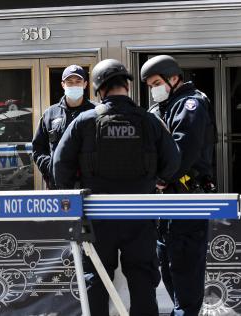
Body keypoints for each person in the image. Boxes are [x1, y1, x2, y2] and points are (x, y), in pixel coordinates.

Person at [53, 59, 180, 316]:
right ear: (127, 87)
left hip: (97, 215)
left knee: (97, 280)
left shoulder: (84, 121)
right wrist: (159, 180)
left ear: (99, 89)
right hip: (140, 213)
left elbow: (59, 166)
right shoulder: (149, 120)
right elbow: (173, 161)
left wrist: (76, 192)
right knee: (142, 278)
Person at [141, 55, 217, 315]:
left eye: (157, 83)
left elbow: (184, 150)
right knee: (168, 268)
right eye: (150, 85)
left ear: (174, 79)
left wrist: (161, 179)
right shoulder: (160, 109)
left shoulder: (190, 104)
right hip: (164, 204)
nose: (153, 89)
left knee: (185, 272)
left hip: (187, 199)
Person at [32, 65, 96, 189]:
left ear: (85, 84)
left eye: (78, 82)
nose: (74, 85)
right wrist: (51, 167)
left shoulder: (96, 112)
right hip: (58, 184)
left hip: (90, 183)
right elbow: (38, 148)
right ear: (63, 85)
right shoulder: (50, 113)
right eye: (69, 82)